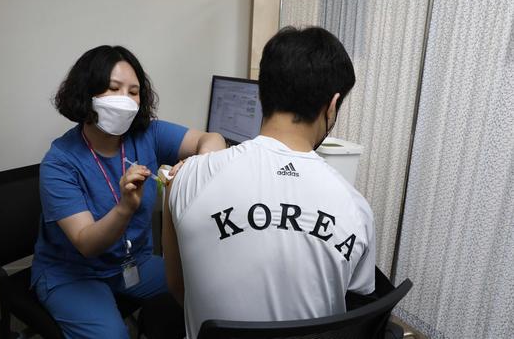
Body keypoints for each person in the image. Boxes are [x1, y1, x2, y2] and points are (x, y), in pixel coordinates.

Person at [162, 26, 376, 339]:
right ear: (332, 105)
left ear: (262, 94)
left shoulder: (185, 179)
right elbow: (353, 307)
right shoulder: (356, 208)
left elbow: (180, 289)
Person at [31, 45, 226, 339]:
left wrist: (199, 164)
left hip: (132, 262)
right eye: (113, 88)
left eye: (133, 92)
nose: (126, 99)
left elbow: (213, 138)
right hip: (73, 274)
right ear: (88, 93)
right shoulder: (59, 162)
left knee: (209, 292)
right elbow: (87, 243)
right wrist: (125, 208)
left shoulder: (148, 134)